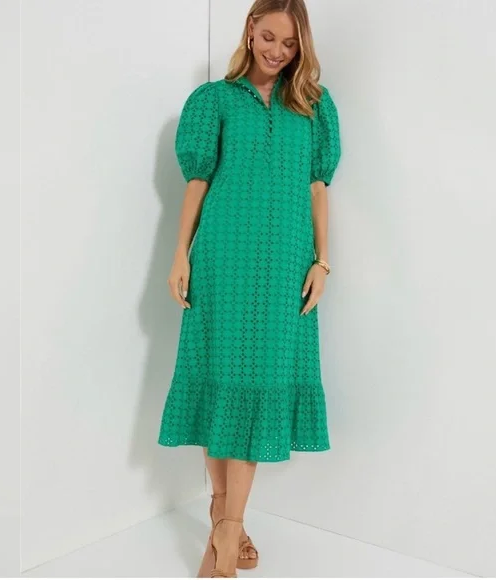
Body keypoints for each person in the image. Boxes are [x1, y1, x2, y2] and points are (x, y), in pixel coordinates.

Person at [158, 0, 341, 576]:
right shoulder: (213, 100)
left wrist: (323, 261)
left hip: (286, 264)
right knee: (221, 379)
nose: (277, 51)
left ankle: (226, 528)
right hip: (221, 257)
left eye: (289, 43)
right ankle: (226, 522)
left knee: (257, 384)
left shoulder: (313, 104)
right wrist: (180, 252)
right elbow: (198, 180)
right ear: (250, 31)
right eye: (268, 38)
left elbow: (317, 187)